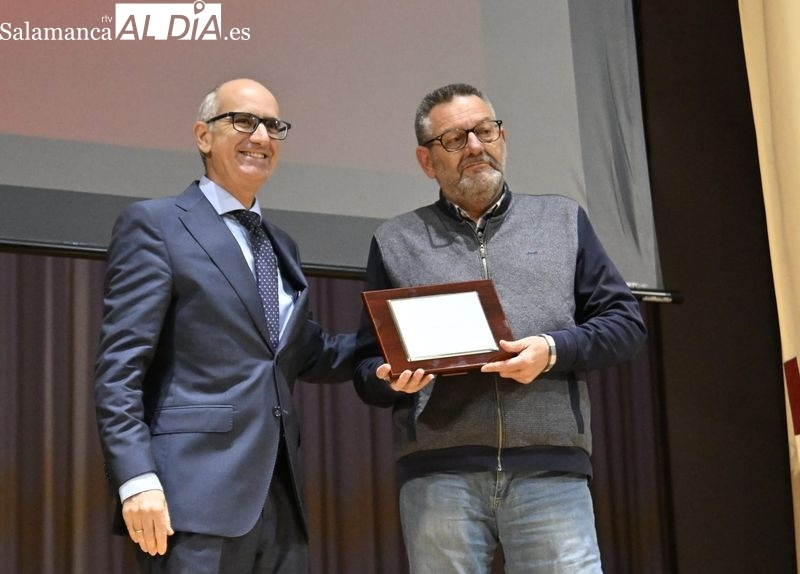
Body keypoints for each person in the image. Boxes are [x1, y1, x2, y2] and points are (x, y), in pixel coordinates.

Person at [353, 83, 647, 573]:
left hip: (550, 469)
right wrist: (388, 380)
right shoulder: (395, 240)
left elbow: (625, 324)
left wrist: (552, 351)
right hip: (439, 475)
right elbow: (367, 364)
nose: (474, 146)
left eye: (484, 130)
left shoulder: (561, 220)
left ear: (501, 137)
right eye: (454, 139)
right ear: (427, 161)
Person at [94, 78, 355, 574]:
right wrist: (136, 479)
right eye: (243, 121)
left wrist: (394, 351)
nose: (261, 136)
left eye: (273, 126)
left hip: (280, 498)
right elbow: (119, 369)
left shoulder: (281, 244)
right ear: (202, 136)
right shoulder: (156, 224)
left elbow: (304, 351)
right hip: (191, 498)